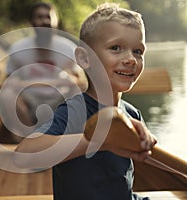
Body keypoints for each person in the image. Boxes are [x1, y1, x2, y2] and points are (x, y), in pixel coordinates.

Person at [14, 3, 157, 200]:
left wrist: (144, 142)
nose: (131, 59)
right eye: (116, 48)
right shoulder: (73, 111)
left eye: (138, 51)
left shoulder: (132, 114)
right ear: (84, 58)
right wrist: (98, 140)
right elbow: (23, 155)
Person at [0, 2, 87, 139]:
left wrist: (63, 81)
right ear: (32, 21)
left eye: (48, 17)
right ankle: (25, 137)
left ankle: (71, 136)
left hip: (59, 100)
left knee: (78, 91)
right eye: (39, 17)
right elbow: (8, 80)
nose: (44, 21)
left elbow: (81, 81)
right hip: (30, 102)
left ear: (56, 21)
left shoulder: (68, 48)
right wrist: (21, 84)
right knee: (7, 94)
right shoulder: (18, 49)